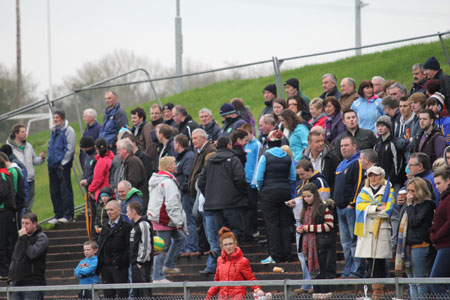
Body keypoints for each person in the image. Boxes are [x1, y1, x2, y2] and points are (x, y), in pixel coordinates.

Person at [256, 130, 296, 263]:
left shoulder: (265, 156)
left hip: (269, 192)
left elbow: (259, 178)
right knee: (284, 223)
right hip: (285, 191)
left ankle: (275, 255)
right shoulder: (287, 157)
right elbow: (292, 177)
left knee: (272, 224)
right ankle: (287, 254)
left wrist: (262, 190)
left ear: (268, 142)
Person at [198, 136, 248, 244]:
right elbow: (240, 179)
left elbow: (201, 182)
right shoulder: (234, 159)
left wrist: (210, 195)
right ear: (229, 145)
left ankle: (223, 257)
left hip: (214, 205)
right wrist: (241, 193)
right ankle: (231, 255)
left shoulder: (209, 161)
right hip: (233, 203)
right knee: (236, 230)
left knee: (220, 233)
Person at [354, 166, 394, 298]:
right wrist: (376, 208)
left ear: (381, 177)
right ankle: (374, 290)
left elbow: (388, 211)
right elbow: (359, 207)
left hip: (381, 231)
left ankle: (379, 291)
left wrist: (369, 211)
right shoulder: (364, 191)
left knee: (379, 263)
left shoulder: (389, 190)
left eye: (375, 175)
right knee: (370, 262)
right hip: (366, 232)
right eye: (370, 176)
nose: (373, 178)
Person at [394, 178, 434, 300]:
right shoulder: (408, 205)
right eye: (408, 191)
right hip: (407, 246)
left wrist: (409, 205)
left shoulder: (427, 205)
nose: (410, 194)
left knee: (419, 281)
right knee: (411, 281)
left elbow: (414, 221)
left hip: (419, 245)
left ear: (420, 191)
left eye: (413, 191)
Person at [148, 156, 186, 282]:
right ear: (169, 167)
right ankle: (157, 276)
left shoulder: (158, 180)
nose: (176, 166)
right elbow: (172, 203)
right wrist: (179, 222)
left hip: (161, 217)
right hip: (165, 219)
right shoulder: (168, 182)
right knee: (160, 247)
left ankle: (168, 265)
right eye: (174, 164)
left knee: (180, 238)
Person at [334, 136, 365, 278]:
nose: (343, 148)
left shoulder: (357, 162)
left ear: (354, 146)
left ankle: (357, 269)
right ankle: (347, 269)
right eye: (341, 146)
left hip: (350, 208)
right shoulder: (340, 164)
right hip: (340, 208)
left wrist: (351, 203)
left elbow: (359, 184)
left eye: (346, 145)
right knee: (345, 243)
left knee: (354, 240)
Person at [206, 227, 266, 300]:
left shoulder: (243, 261)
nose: (228, 247)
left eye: (230, 244)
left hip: (237, 297)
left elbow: (250, 278)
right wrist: (208, 297)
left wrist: (257, 289)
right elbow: (217, 282)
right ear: (222, 246)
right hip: (223, 297)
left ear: (235, 244)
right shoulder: (219, 260)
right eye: (226, 245)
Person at [297, 184, 335, 298]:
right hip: (307, 245)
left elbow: (329, 225)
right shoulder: (305, 209)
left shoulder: (324, 207)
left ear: (315, 195)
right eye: (304, 197)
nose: (306, 199)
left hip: (321, 244)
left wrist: (308, 228)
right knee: (314, 273)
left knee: (321, 272)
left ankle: (324, 294)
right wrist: (300, 229)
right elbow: (304, 225)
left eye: (309, 196)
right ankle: (317, 294)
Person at [8, 212, 49, 300]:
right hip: (16, 283)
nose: (24, 226)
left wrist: (24, 238)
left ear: (34, 224)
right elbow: (14, 259)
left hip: (32, 284)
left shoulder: (41, 238)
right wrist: (10, 278)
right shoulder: (22, 239)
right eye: (22, 223)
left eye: (27, 223)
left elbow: (33, 254)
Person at [96, 200, 131, 299]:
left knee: (122, 294)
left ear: (119, 210)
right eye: (107, 210)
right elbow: (101, 245)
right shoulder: (105, 226)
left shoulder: (126, 226)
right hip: (106, 267)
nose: (109, 212)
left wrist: (122, 260)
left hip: (119, 266)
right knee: (108, 295)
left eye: (111, 210)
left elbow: (129, 247)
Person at [7, 124, 45, 213]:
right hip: (20, 182)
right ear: (16, 134)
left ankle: (27, 222)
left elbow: (35, 160)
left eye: (25, 131)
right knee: (22, 206)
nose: (25, 133)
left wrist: (41, 158)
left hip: (31, 180)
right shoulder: (9, 148)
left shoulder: (29, 146)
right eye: (22, 132)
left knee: (29, 207)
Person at [47, 110, 76, 224]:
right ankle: (58, 214)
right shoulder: (53, 131)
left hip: (62, 166)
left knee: (65, 190)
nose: (55, 119)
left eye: (57, 117)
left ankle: (68, 215)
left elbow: (70, 148)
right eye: (54, 117)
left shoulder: (69, 130)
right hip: (52, 166)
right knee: (54, 191)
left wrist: (64, 163)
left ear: (62, 118)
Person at [173, 135, 199, 256]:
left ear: (178, 144)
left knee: (189, 221)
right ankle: (184, 248)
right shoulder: (182, 156)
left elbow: (188, 176)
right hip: (181, 193)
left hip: (186, 194)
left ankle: (191, 247)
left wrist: (181, 189)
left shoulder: (188, 156)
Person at [126, 201, 154, 298]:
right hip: (134, 263)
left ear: (134, 211)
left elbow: (145, 244)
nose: (126, 214)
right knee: (137, 291)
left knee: (144, 291)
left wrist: (140, 261)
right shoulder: (135, 226)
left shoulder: (144, 224)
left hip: (141, 264)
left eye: (128, 211)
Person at [430, 168, 450, 295]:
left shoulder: (448, 199)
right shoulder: (444, 198)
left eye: (438, 183)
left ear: (448, 181)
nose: (436, 187)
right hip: (442, 245)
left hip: (446, 245)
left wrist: (436, 235)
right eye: (435, 184)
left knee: (434, 281)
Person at [117, 138, 149, 208]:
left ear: (125, 149)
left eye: (118, 149)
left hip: (136, 201)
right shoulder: (127, 161)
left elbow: (134, 181)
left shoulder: (133, 161)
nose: (117, 152)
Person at [0, 154, 17, 280]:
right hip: (7, 212)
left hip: (5, 212)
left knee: (4, 241)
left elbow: (3, 192)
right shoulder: (6, 174)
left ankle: (5, 271)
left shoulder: (2, 175)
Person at [87, 138, 114, 202]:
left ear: (96, 148)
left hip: (103, 193)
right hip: (111, 191)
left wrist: (90, 189)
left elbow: (97, 180)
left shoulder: (101, 162)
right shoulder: (111, 158)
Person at [140, 103, 164, 172]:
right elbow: (141, 142)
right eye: (152, 113)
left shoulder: (165, 126)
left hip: (161, 161)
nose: (154, 115)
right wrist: (145, 153)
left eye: (156, 113)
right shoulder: (146, 127)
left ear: (161, 113)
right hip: (148, 162)